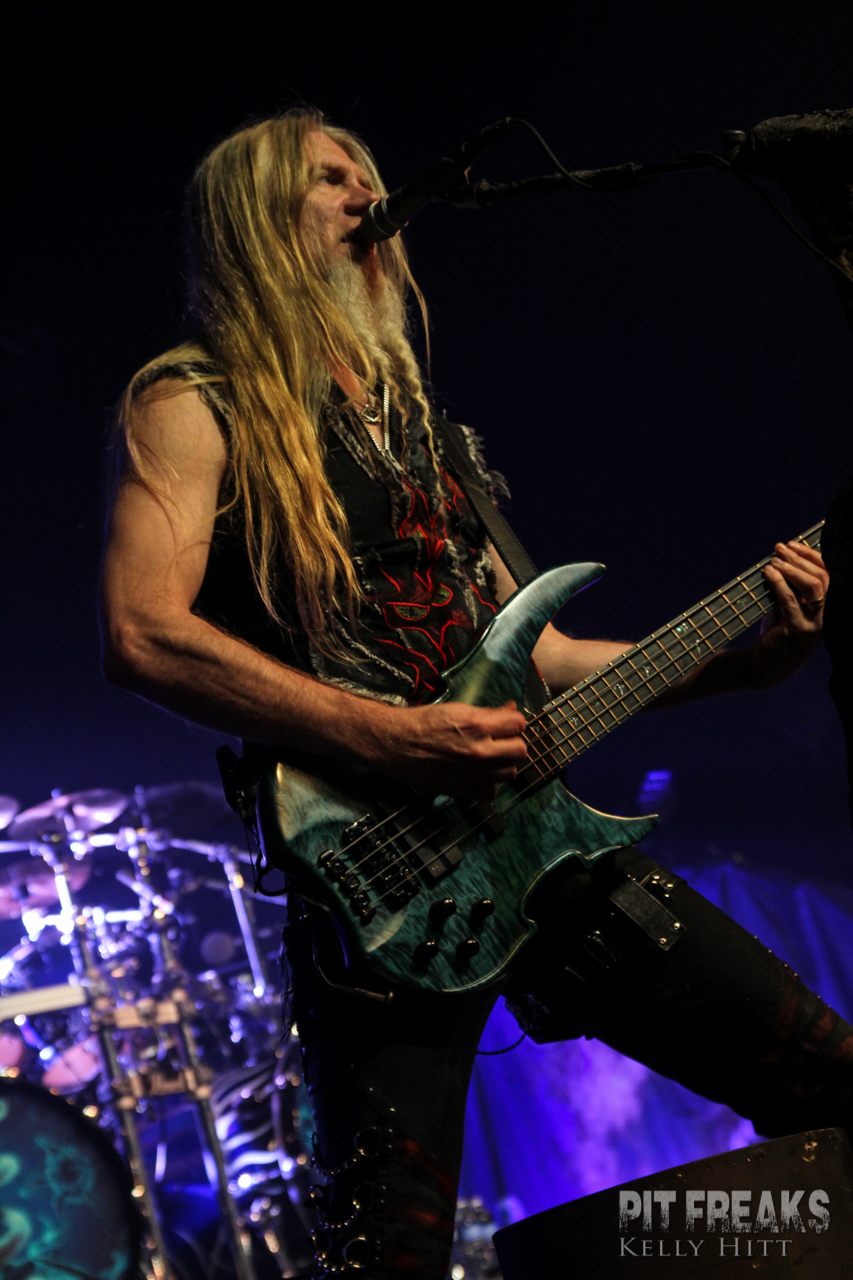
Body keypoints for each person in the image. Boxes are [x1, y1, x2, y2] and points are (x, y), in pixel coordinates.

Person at [100, 110, 842, 1279]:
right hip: (376, 887)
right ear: (256, 220)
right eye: (329, 178)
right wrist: (393, 737)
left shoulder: (426, 433)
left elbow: (542, 660)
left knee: (828, 1081)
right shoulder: (195, 400)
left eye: (366, 173)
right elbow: (142, 629)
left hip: (541, 851)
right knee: (383, 1255)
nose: (366, 194)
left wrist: (745, 663)